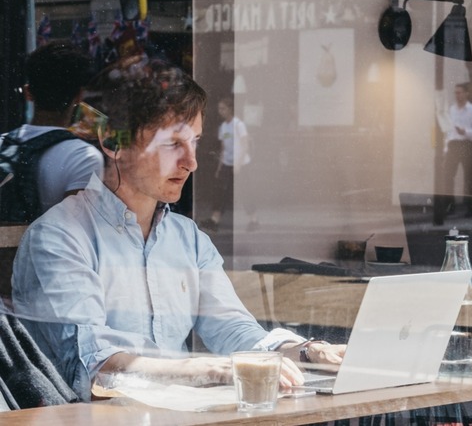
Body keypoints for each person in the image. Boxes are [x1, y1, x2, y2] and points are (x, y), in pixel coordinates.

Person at [11, 58, 345, 401]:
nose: (192, 162)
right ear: (112, 141)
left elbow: (232, 329)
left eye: (195, 141)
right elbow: (96, 368)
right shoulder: (58, 238)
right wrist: (213, 371)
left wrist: (305, 351)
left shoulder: (188, 239)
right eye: (173, 143)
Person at [0, 40, 104, 221]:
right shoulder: (83, 157)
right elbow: (75, 232)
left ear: (28, 92)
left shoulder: (3, 144)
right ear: (80, 95)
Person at [200, 97, 258, 232]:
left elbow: (244, 145)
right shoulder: (223, 127)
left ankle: (253, 219)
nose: (221, 111)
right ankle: (215, 219)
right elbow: (223, 147)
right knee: (220, 192)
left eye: (223, 108)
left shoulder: (238, 125)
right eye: (219, 109)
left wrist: (238, 163)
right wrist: (220, 166)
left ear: (230, 109)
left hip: (241, 164)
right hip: (227, 163)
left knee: (245, 191)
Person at [439, 83, 472, 217]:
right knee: (448, 176)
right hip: (454, 144)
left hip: (467, 144)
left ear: (466, 93)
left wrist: (466, 132)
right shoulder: (451, 110)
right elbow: (448, 132)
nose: (457, 95)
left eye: (460, 92)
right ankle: (449, 206)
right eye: (456, 93)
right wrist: (446, 148)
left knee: (470, 177)